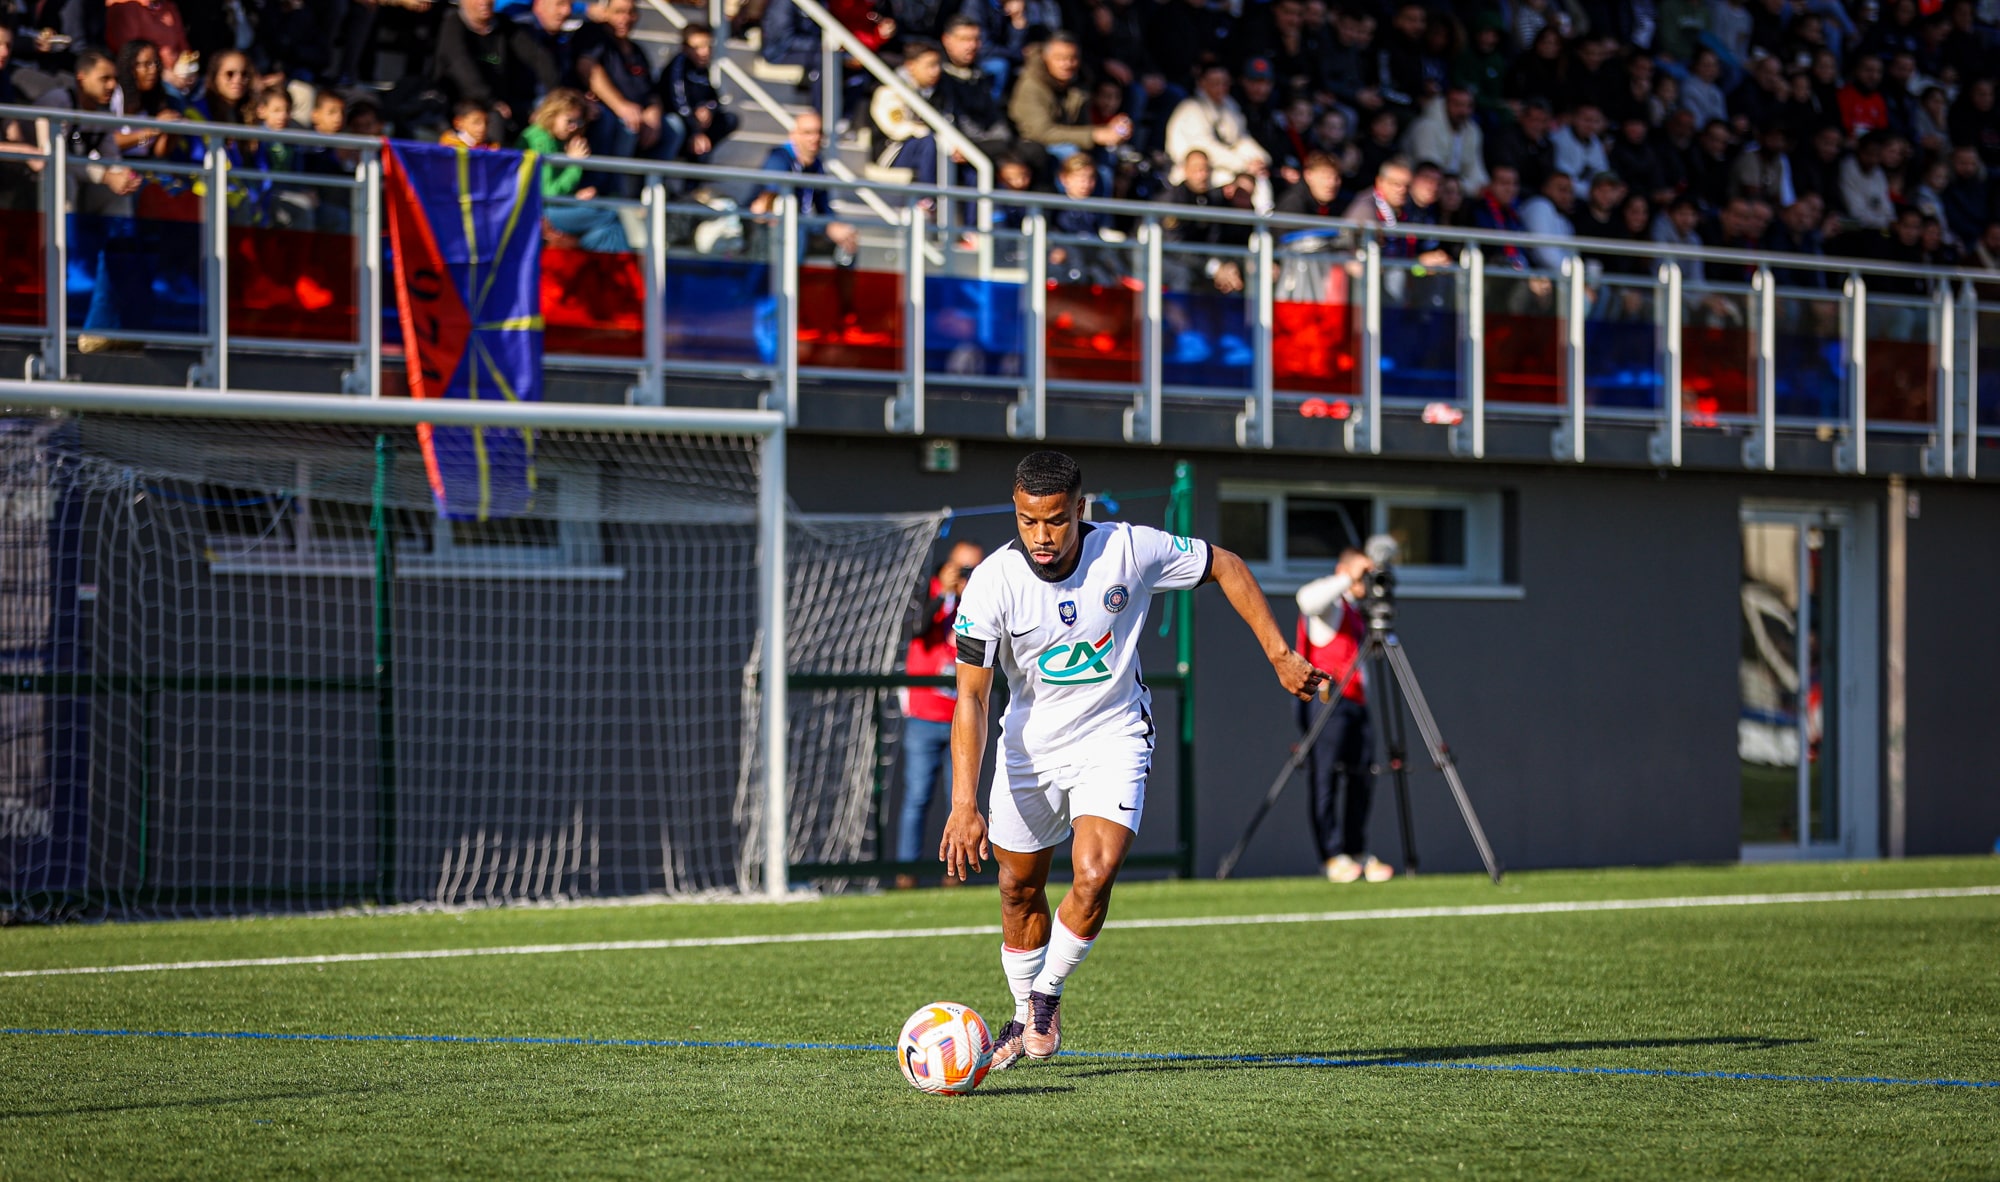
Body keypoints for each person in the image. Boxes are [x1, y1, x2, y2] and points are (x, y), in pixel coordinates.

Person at [940, 451, 1324, 1069]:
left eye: (1056, 521)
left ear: (1080, 510)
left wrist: (1280, 654)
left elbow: (1225, 564)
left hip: (1113, 736)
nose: (1041, 536)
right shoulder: (991, 582)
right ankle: (1021, 1011)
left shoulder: (1128, 549)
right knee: (1018, 888)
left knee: (1094, 873)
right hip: (1027, 750)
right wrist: (964, 803)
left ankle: (1043, 1000)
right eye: (1027, 520)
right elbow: (972, 697)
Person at [1293, 548, 1390, 883]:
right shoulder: (1331, 604)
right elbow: (1306, 600)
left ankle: (1356, 850)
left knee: (1362, 776)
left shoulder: (1355, 612)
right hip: (1327, 701)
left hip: (1356, 703)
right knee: (1326, 779)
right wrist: (1349, 577)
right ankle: (1332, 855)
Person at [895, 539, 986, 887]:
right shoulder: (929, 593)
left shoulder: (981, 602)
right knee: (917, 797)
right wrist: (944, 594)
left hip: (963, 720)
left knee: (962, 801)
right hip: (924, 716)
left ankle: (955, 876)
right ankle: (905, 873)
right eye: (962, 569)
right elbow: (915, 629)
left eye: (973, 570)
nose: (967, 577)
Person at [519, 87, 629, 253]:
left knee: (605, 233)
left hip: (552, 208)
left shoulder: (558, 139)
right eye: (569, 121)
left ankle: (606, 275)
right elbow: (549, 192)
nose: (574, 127)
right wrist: (574, 164)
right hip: (538, 211)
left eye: (578, 122)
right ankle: (627, 276)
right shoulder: (539, 139)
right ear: (553, 115)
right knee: (609, 216)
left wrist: (577, 194)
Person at [577, 0, 671, 194]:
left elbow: (650, 90)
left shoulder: (636, 50)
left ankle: (652, 190)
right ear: (604, 13)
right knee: (625, 124)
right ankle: (612, 192)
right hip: (606, 113)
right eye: (619, 12)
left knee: (673, 127)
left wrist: (654, 111)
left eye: (630, 13)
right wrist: (621, 106)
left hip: (638, 116)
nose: (625, 19)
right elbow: (588, 67)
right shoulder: (593, 35)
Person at [751, 111, 860, 263]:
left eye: (819, 132)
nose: (815, 138)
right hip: (771, 227)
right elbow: (773, 202)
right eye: (807, 132)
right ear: (794, 135)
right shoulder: (779, 158)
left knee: (847, 239)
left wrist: (834, 226)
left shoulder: (817, 165)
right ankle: (788, 287)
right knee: (797, 232)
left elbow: (824, 206)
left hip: (803, 223)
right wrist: (827, 227)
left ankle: (841, 287)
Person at [659, 23, 736, 165]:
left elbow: (714, 99)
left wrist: (708, 110)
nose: (705, 51)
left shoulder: (702, 69)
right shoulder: (678, 66)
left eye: (708, 46)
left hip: (697, 124)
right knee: (677, 126)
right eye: (698, 47)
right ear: (685, 48)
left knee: (728, 120)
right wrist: (695, 130)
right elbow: (679, 102)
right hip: (679, 122)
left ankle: (695, 174)